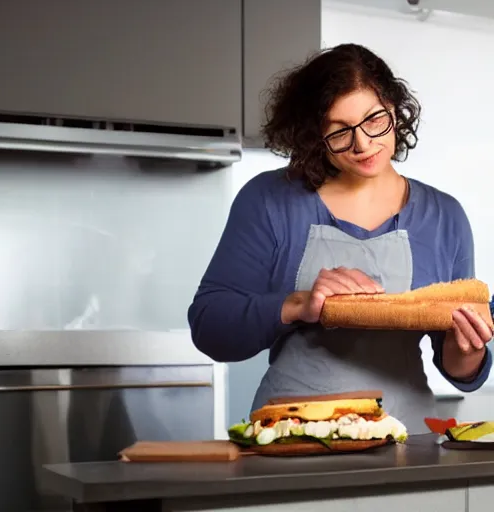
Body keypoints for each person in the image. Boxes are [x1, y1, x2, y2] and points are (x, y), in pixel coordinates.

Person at [187, 43, 493, 433]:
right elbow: (210, 327)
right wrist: (297, 305)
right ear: (314, 136)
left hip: (406, 440)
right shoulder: (270, 200)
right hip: (292, 436)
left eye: (374, 120)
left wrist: (468, 349)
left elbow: (460, 370)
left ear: (395, 111)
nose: (362, 144)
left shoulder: (445, 217)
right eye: (339, 131)